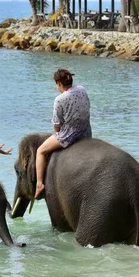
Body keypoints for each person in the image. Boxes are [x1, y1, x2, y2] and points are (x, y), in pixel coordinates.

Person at [35, 68, 91, 199]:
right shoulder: (82, 89)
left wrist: (58, 133)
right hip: (86, 132)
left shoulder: (59, 99)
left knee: (40, 151)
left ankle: (39, 184)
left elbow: (56, 124)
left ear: (59, 84)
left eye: (56, 85)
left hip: (70, 134)